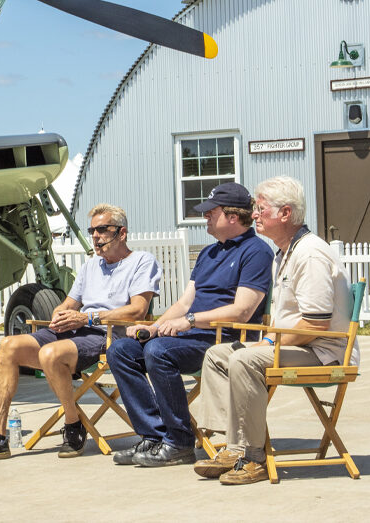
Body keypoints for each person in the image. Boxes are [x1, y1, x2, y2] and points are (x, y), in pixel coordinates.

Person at [0, 204, 161, 464]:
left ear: (122, 233)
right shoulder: (90, 267)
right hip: (78, 330)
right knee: (8, 345)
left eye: (102, 230)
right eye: (92, 231)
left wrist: (87, 317)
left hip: (110, 336)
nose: (95, 236)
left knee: (51, 354)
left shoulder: (141, 262)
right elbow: (69, 304)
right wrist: (60, 314)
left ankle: (73, 423)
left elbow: (137, 310)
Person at [192, 176, 358, 484]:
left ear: (284, 213)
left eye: (260, 208)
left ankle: (252, 457)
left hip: (324, 353)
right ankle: (233, 445)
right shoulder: (285, 253)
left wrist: (266, 343)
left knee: (244, 359)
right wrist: (268, 341)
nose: (253, 214)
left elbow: (315, 324)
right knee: (217, 354)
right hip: (298, 346)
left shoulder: (309, 254)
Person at [106, 182, 273, 467]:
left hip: (226, 340)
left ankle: (179, 442)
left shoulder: (256, 251)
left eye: (211, 212)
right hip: (192, 334)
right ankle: (154, 435)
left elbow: (243, 311)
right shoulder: (209, 253)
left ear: (233, 216)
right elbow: (184, 303)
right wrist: (156, 326)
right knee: (121, 350)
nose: (205, 216)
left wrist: (190, 321)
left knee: (158, 351)